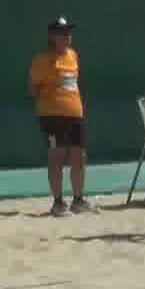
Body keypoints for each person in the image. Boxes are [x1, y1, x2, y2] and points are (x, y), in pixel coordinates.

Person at [29, 17, 99, 217]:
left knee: (79, 156)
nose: (66, 35)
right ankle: (58, 204)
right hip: (52, 116)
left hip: (75, 114)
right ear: (52, 36)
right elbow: (33, 89)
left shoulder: (73, 55)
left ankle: (78, 201)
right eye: (61, 32)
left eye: (68, 31)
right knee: (57, 156)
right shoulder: (42, 60)